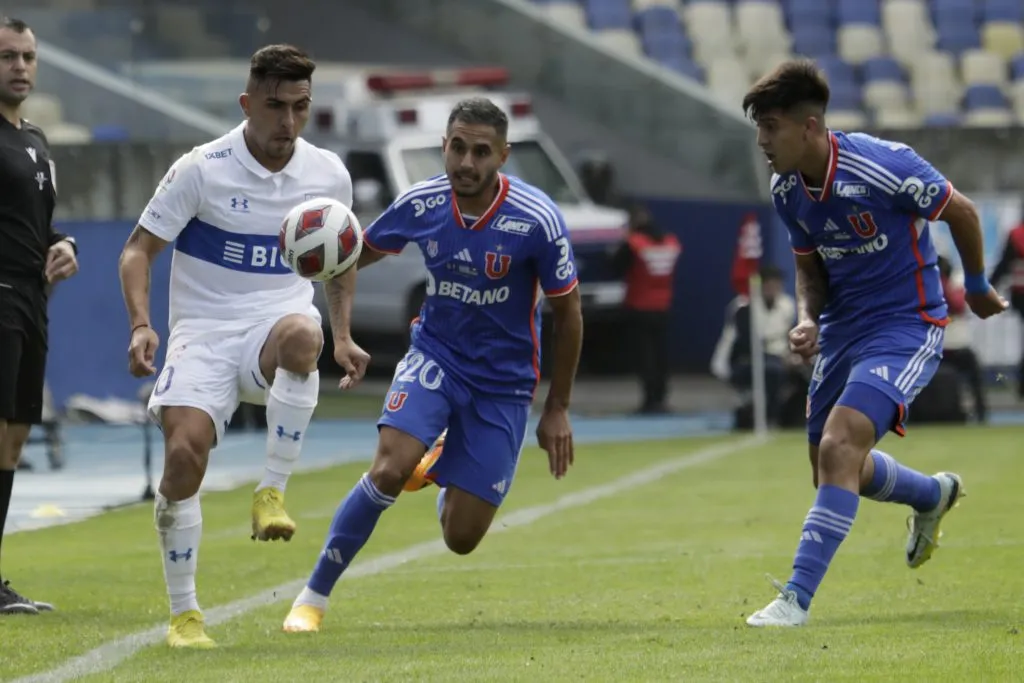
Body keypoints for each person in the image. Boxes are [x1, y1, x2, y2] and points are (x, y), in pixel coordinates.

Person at [281, 97, 584, 634]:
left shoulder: (537, 219)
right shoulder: (422, 203)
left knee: (460, 538)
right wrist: (343, 335)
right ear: (444, 147)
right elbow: (347, 258)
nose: (467, 162)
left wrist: (557, 408)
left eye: (482, 152)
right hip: (435, 357)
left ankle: (440, 460)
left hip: (504, 384)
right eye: (458, 148)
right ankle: (312, 598)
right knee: (388, 468)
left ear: (503, 156)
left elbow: (569, 313)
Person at [117, 44, 369, 648]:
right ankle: (185, 617)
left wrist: (341, 334)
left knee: (300, 333)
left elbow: (341, 259)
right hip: (202, 334)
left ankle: (271, 492)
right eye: (276, 106)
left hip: (272, 326)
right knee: (183, 456)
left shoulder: (328, 174)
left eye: (300, 108)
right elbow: (136, 251)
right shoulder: (202, 168)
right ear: (247, 102)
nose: (287, 123)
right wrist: (141, 324)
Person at [741, 59, 1007, 627]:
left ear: (808, 127)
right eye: (759, 129)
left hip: (906, 324)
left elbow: (961, 210)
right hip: (841, 330)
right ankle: (931, 495)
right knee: (831, 469)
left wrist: (979, 285)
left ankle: (795, 599)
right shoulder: (787, 188)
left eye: (771, 127)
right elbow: (808, 267)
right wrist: (809, 317)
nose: (762, 141)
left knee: (840, 447)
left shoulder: (883, 165)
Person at [0, 16, 80, 616]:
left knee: (15, 435)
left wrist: (64, 243)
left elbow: (37, 224)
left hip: (31, 300)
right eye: (8, 57)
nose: (20, 68)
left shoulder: (35, 142)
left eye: (27, 57)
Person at [611, 204, 681, 413]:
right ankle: (661, 396)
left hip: (639, 306)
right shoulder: (671, 243)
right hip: (664, 306)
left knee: (646, 356)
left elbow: (616, 266)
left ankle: (650, 399)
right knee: (661, 355)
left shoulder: (634, 244)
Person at [937, 256, 987, 422]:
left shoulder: (941, 285)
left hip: (949, 346)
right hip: (944, 348)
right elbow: (956, 304)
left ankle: (981, 413)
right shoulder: (940, 286)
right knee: (973, 372)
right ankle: (981, 413)